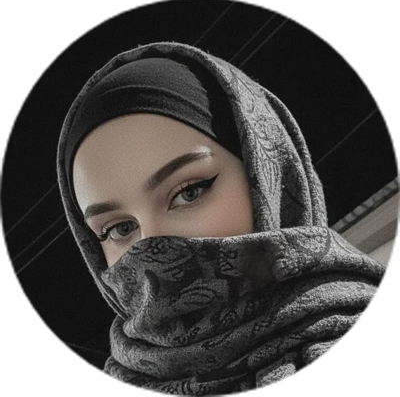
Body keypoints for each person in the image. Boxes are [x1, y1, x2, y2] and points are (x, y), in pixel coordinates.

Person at [57, 42, 400, 397]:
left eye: (189, 191)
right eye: (120, 228)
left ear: (269, 177)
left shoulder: (386, 347)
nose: (153, 246)